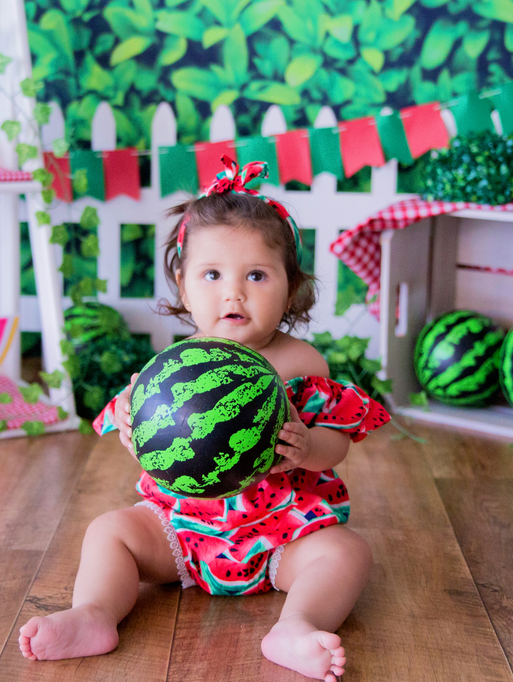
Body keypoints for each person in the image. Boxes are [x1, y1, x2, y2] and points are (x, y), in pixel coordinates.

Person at [19, 157, 390, 681]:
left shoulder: (302, 365)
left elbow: (339, 442)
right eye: (212, 274)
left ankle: (296, 623)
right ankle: (95, 614)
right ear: (184, 284)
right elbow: (139, 423)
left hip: (281, 536)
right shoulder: (176, 368)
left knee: (347, 552)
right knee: (109, 532)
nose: (233, 292)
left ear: (290, 286)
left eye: (256, 275)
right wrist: (132, 428)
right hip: (182, 530)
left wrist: (307, 448)